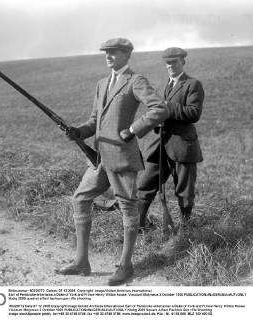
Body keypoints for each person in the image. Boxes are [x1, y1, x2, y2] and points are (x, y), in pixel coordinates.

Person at [55, 38, 170, 285]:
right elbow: (95, 119)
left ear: (127, 54)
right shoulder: (102, 83)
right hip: (99, 159)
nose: (108, 56)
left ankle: (126, 266)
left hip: (122, 158)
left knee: (128, 208)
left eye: (113, 52)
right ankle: (81, 261)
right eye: (106, 52)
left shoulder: (135, 81)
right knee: (80, 198)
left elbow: (159, 109)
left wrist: (132, 130)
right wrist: (78, 132)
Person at [138, 47, 205, 243]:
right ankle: (139, 228)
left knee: (184, 191)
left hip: (183, 147)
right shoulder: (165, 85)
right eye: (167, 63)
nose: (170, 66)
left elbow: (194, 113)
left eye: (174, 62)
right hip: (161, 146)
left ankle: (186, 232)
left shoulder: (193, 84)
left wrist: (166, 108)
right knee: (145, 185)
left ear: (183, 61)